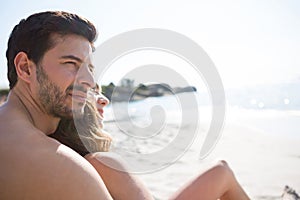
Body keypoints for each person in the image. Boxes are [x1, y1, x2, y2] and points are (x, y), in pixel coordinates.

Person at [53, 85, 251, 200]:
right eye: (91, 92)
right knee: (221, 171)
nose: (104, 99)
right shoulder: (100, 163)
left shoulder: (57, 163)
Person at [0, 11, 114, 199]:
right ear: (25, 68)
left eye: (90, 69)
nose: (90, 81)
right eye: (71, 63)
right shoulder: (57, 164)